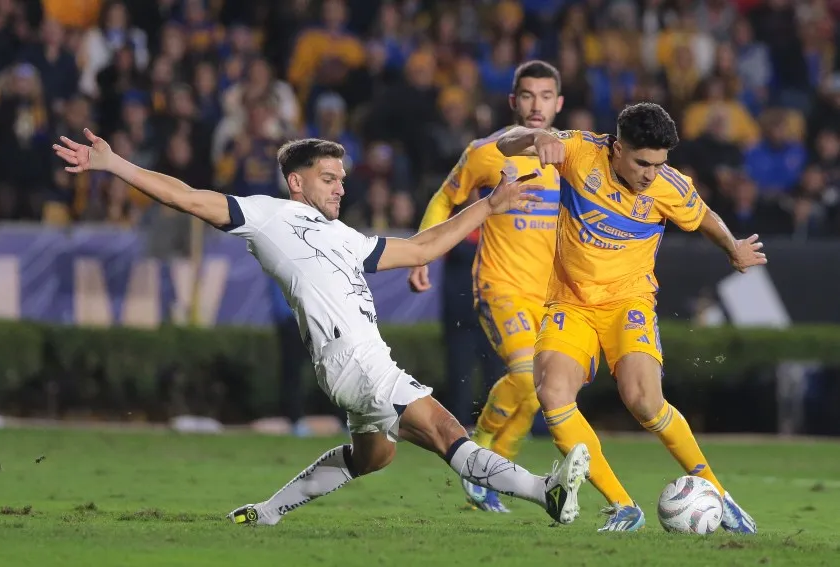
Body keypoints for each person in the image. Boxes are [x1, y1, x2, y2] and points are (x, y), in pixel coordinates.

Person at [53, 130, 591, 527]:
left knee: (372, 456)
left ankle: (268, 512)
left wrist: (489, 205)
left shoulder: (346, 236)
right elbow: (186, 197)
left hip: (352, 361)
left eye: (341, 180)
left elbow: (424, 247)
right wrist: (114, 163)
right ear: (296, 181)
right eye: (328, 179)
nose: (339, 189)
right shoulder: (269, 216)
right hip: (355, 359)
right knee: (448, 432)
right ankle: (546, 492)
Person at [494, 102, 762, 533]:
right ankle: (623, 507)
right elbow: (506, 144)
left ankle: (717, 492)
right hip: (571, 304)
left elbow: (705, 216)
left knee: (643, 400)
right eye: (642, 163)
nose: (650, 174)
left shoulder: (667, 185)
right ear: (617, 148)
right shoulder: (579, 152)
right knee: (552, 394)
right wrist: (536, 137)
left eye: (659, 164)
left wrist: (732, 248)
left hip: (628, 304)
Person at [409, 60, 564, 513]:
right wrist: (423, 251)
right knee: (524, 375)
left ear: (559, 103)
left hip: (551, 296)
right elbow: (445, 196)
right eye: (528, 96)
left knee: (542, 391)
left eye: (546, 96)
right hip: (499, 286)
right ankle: (478, 447)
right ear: (514, 101)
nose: (537, 106)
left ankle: (490, 471)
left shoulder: (572, 155)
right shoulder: (486, 151)